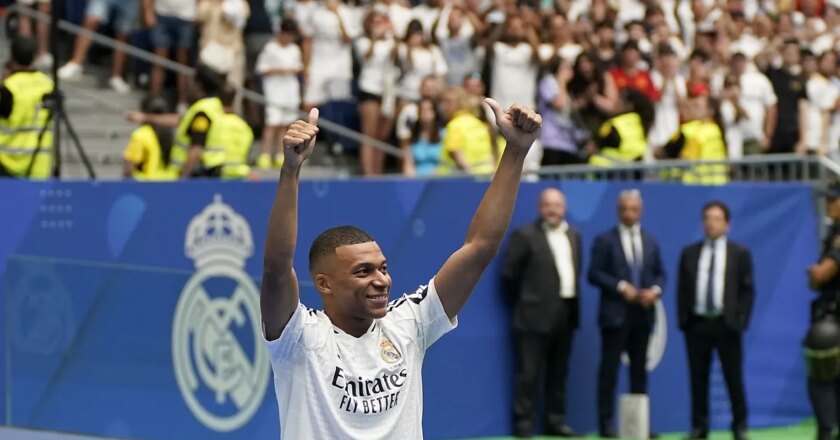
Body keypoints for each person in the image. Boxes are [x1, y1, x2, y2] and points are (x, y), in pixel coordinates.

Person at [260, 99, 542, 438]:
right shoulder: (299, 337)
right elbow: (277, 267)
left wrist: (515, 151)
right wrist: (290, 170)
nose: (381, 280)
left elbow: (480, 248)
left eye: (383, 268)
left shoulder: (409, 323)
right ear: (324, 284)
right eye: (363, 272)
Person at [501, 188, 582, 438]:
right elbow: (508, 275)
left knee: (559, 372)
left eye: (557, 205)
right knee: (528, 373)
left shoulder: (574, 235)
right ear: (539, 207)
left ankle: (555, 422)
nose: (552, 209)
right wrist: (528, 300)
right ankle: (524, 424)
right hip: (532, 315)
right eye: (547, 204)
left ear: (564, 207)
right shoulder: (524, 235)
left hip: (566, 312)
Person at [588, 189, 665, 438]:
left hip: (643, 315)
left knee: (639, 371)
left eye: (633, 209)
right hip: (615, 315)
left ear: (640, 210)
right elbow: (594, 273)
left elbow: (661, 274)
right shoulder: (605, 240)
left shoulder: (651, 241)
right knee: (609, 370)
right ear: (618, 210)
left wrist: (654, 291)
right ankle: (606, 424)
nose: (629, 213)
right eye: (624, 209)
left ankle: (639, 424)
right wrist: (621, 288)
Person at [677, 201, 754, 440]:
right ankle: (699, 427)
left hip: (726, 324)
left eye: (717, 218)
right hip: (697, 324)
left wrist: (740, 321)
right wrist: (684, 321)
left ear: (727, 224)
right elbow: (682, 290)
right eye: (707, 218)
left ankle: (739, 426)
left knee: (733, 378)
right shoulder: (689, 253)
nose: (711, 223)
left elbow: (747, 290)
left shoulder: (739, 253)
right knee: (697, 379)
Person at [806, 185, 840, 440]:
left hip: (835, 317)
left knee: (823, 377)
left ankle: (826, 431)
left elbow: (821, 274)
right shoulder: (832, 231)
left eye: (833, 200)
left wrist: (816, 272)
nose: (828, 204)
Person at [0, 37, 54, 179]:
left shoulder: (9, 88)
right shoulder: (48, 84)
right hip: (39, 165)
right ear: (35, 56)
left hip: (7, 165)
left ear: (11, 56)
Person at [255, 19, 303, 169]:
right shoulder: (270, 48)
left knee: (284, 125)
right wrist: (280, 70)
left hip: (289, 92)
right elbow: (261, 68)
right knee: (272, 124)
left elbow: (299, 67)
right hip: (274, 91)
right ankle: (264, 155)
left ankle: (278, 154)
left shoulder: (295, 49)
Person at [171, 64, 228, 178]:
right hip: (212, 171)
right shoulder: (215, 105)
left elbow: (196, 148)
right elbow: (180, 121)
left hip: (200, 175)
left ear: (198, 85)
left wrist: (183, 178)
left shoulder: (202, 113)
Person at [122, 96, 178, 180]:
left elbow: (129, 168)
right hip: (171, 183)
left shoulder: (141, 134)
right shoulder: (176, 134)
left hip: (147, 185)